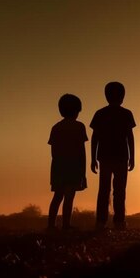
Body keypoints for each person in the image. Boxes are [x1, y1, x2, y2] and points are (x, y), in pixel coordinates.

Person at [90, 81, 136, 230]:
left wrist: (93, 158)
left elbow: (94, 138)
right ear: (123, 96)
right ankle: (119, 221)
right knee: (119, 190)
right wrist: (132, 157)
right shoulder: (126, 114)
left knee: (104, 189)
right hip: (121, 156)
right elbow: (130, 137)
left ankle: (101, 221)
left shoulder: (100, 113)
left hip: (104, 156)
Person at [47, 93, 88, 231]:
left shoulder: (56, 127)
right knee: (69, 197)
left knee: (57, 196)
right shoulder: (79, 127)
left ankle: (51, 225)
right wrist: (83, 170)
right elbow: (82, 151)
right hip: (74, 166)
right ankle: (65, 224)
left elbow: (53, 152)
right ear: (77, 110)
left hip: (58, 166)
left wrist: (58, 164)